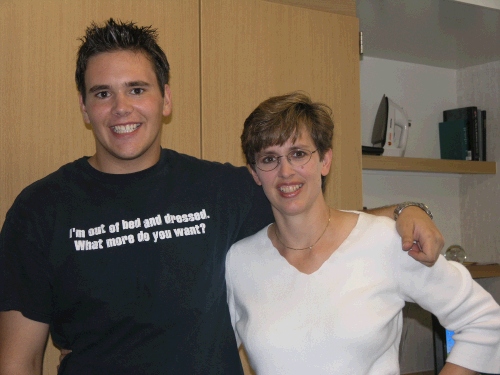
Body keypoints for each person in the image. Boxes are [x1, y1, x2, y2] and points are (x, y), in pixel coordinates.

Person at [0, 19, 443, 375]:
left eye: (137, 89)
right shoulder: (41, 210)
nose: (122, 108)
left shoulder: (219, 190)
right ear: (84, 107)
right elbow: (18, 360)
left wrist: (406, 211)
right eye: (103, 93)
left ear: (165, 99)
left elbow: (321, 220)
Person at [226, 91, 500, 375]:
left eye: (298, 154)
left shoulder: (385, 242)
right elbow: (208, 352)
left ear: (325, 160)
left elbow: (483, 320)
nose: (286, 171)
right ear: (256, 174)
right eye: (270, 159)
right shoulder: (240, 262)